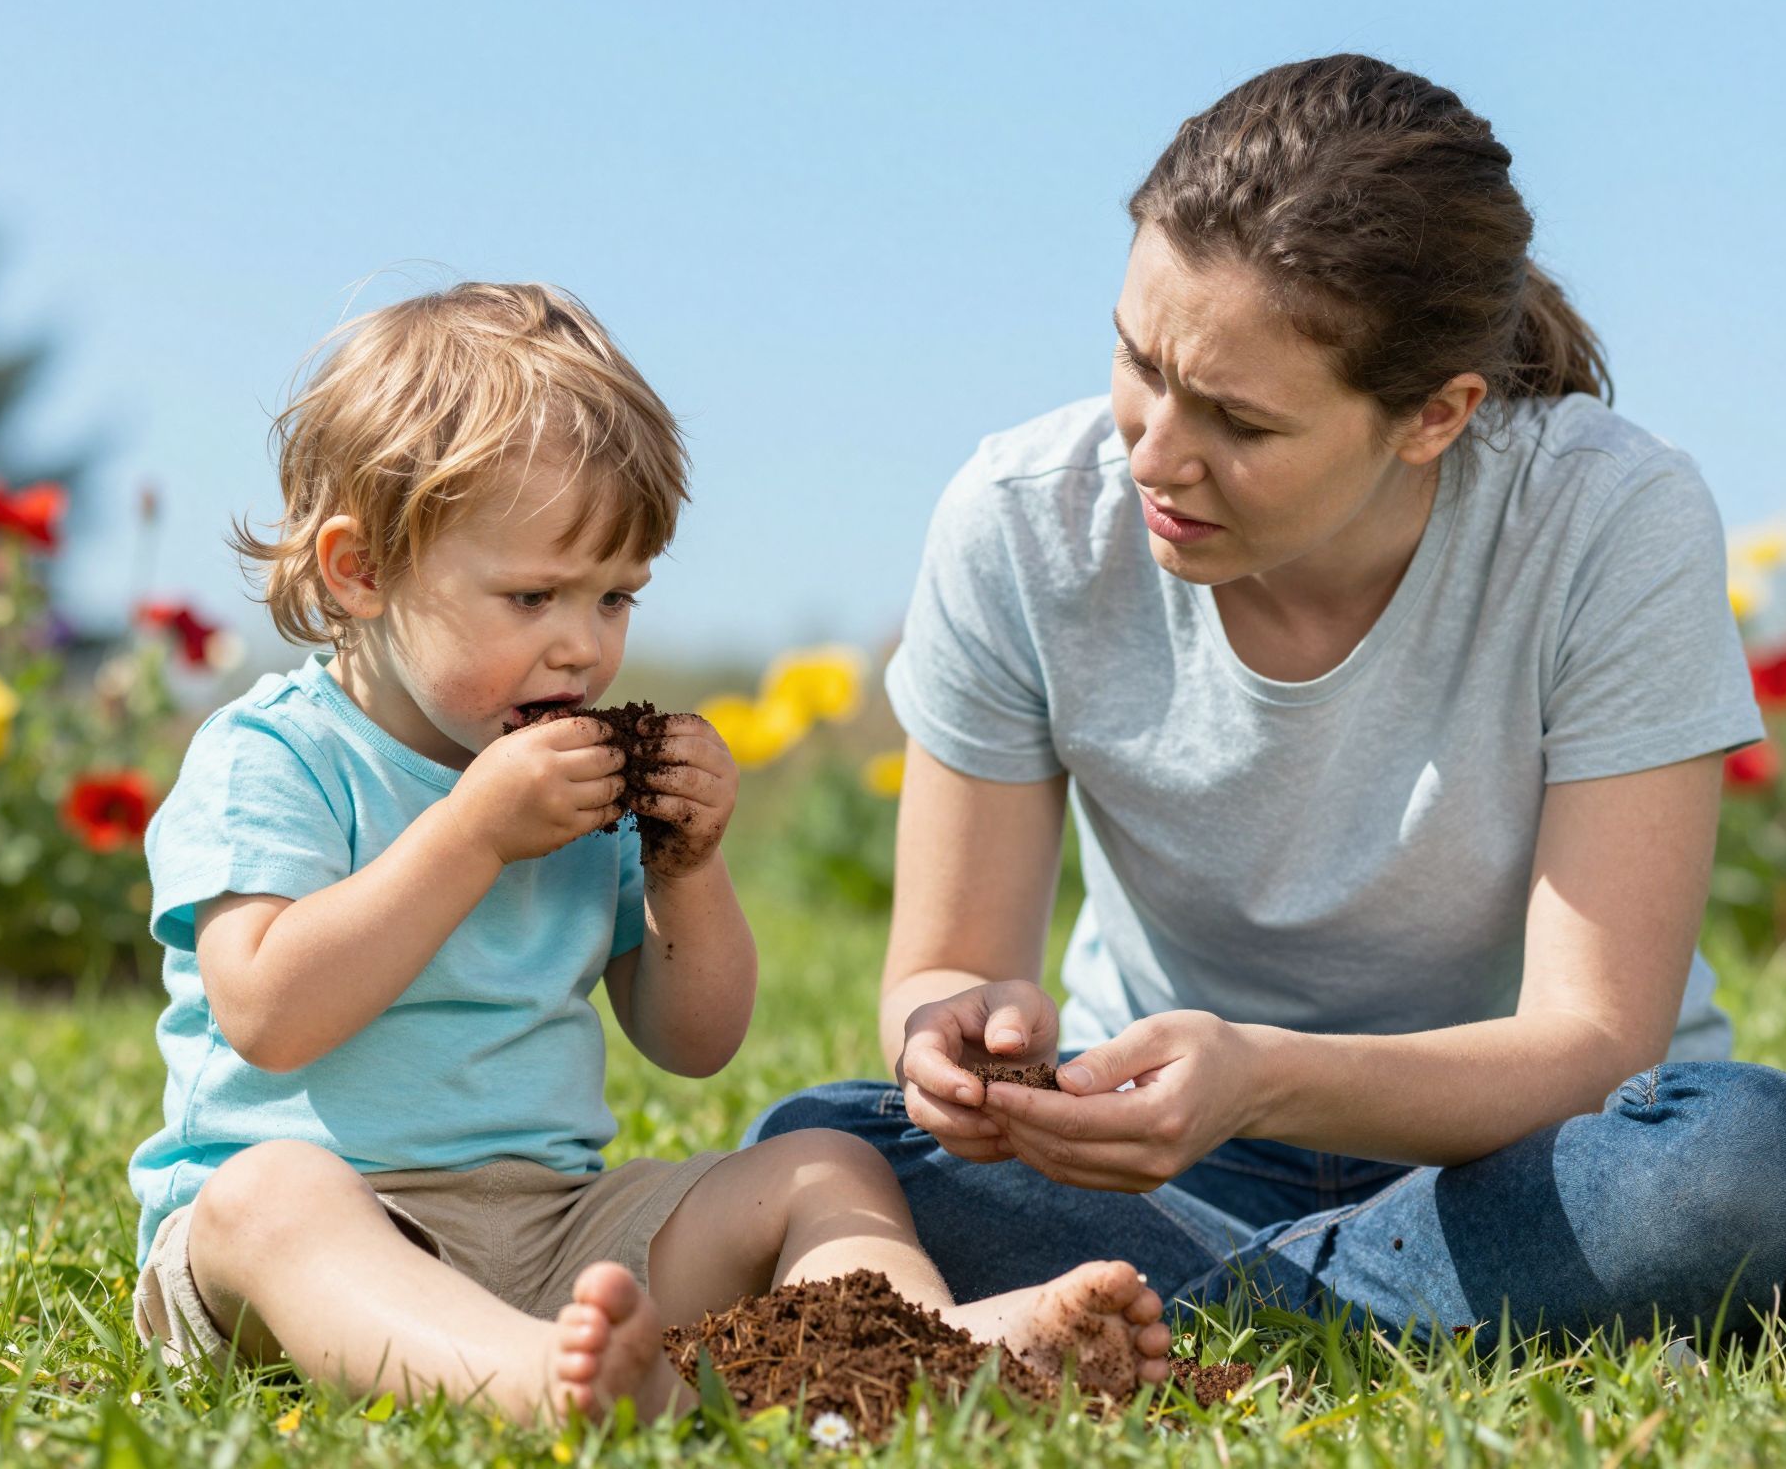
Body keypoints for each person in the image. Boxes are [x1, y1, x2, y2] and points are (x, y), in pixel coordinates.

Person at [748, 56, 1786, 1345]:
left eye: (1237, 420)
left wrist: (1262, 1077)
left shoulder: (1606, 521)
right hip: (1150, 1157)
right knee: (820, 1146)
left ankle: (1201, 1305)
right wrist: (950, 1043)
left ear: (1434, 416)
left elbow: (1592, 1039)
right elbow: (943, 963)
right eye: (1137, 360)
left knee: (1749, 1166)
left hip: (1527, 1152)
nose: (1153, 454)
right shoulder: (1019, 524)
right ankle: (1374, 1304)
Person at [126, 282, 1173, 1423]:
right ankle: (532, 1388)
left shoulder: (577, 787)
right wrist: (471, 833)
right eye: (531, 596)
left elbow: (695, 1042)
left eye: (615, 596)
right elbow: (271, 1015)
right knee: (269, 1199)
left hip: (553, 1226)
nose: (581, 645)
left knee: (824, 1163)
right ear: (360, 570)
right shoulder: (273, 757)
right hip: (325, 1245)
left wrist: (686, 866)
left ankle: (913, 1350)